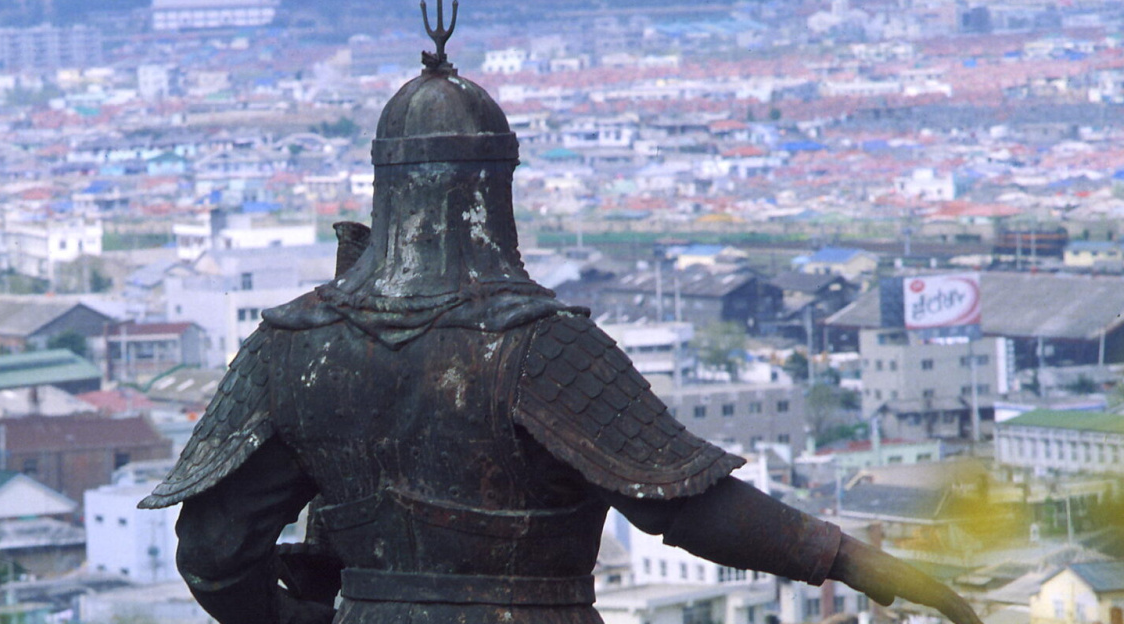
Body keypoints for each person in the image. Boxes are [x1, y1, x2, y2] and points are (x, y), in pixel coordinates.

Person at [141, 6, 984, 624]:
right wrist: (860, 563)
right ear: (496, 187)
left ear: (387, 183)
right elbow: (681, 503)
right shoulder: (544, 348)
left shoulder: (294, 347)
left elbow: (214, 554)